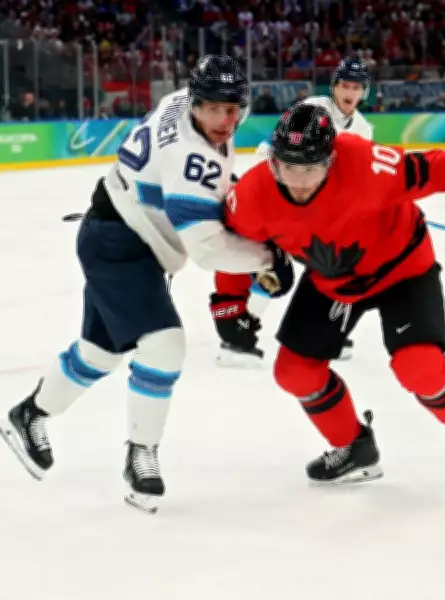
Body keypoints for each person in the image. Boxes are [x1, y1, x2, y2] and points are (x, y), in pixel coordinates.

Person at [210, 103, 445, 484]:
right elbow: (234, 248)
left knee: (419, 367)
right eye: (289, 167)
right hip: (334, 281)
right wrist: (229, 304)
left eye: (311, 168)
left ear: (331, 160)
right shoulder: (251, 197)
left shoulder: (368, 165)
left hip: (403, 267)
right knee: (294, 372)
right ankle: (355, 449)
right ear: (273, 161)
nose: (299, 180)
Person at [0, 55, 277, 514]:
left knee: (99, 352)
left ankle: (29, 415)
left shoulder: (180, 102)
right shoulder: (191, 157)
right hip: (121, 243)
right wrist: (267, 258)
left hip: (116, 226)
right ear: (196, 105)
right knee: (166, 345)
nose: (226, 120)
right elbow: (207, 249)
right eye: (215, 109)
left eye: (233, 109)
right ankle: (141, 454)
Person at [215, 57, 374, 367]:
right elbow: (273, 145)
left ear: (364, 92)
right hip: (285, 199)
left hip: (320, 209)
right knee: (275, 267)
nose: (350, 92)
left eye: (356, 87)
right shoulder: (313, 108)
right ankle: (238, 332)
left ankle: (324, 331)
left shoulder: (363, 129)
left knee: (337, 265)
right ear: (334, 87)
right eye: (345, 85)